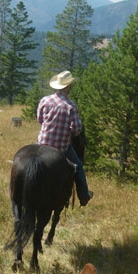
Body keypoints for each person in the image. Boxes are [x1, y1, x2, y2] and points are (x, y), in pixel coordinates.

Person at [36, 70, 93, 206]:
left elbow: (40, 120)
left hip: (42, 144)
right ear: (68, 87)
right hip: (61, 148)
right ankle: (84, 196)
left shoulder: (45, 100)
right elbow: (76, 130)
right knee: (78, 166)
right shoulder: (71, 106)